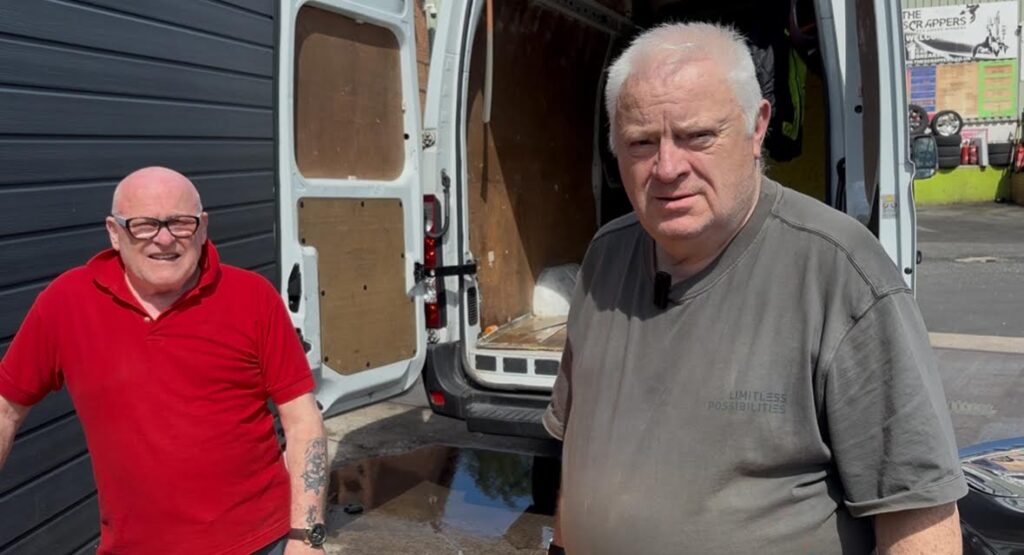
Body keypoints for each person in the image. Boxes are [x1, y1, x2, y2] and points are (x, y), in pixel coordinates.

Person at [543, 23, 966, 554]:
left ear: (757, 126)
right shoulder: (605, 258)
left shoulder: (841, 275)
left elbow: (918, 519)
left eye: (698, 136)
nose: (667, 167)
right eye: (641, 142)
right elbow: (580, 453)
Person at [0, 167, 328, 554]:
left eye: (180, 223)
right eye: (144, 225)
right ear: (114, 232)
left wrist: (307, 537)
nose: (165, 238)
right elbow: (5, 410)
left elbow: (302, 420)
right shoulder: (66, 302)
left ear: (203, 228)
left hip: (259, 542)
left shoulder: (252, 297)